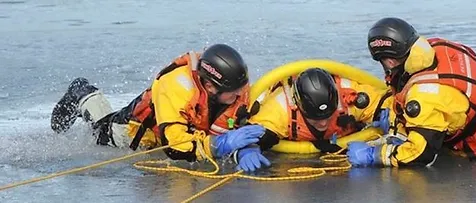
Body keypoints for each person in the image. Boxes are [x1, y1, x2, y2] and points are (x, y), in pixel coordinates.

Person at [347, 17, 476, 167]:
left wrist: (375, 155)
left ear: (390, 60)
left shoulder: (423, 97)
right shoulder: (432, 47)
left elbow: (421, 154)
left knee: (426, 132)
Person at [50, 44, 267, 169]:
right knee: (101, 130)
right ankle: (81, 91)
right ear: (210, 86)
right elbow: (174, 147)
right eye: (235, 91)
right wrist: (218, 145)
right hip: (134, 131)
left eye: (242, 87)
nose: (241, 94)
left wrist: (247, 148)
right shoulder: (175, 86)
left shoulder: (233, 86)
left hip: (188, 128)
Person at [243, 67, 391, 171]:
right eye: (314, 118)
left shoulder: (352, 97)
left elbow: (388, 101)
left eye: (328, 116)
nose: (322, 123)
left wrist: (389, 117)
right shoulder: (278, 109)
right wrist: (248, 150)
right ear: (298, 106)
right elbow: (250, 133)